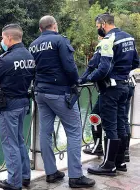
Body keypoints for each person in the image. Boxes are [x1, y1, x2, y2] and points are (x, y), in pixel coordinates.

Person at [28, 15, 95, 188]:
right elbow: (69, 66)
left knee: (45, 132)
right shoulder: (60, 40)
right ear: (54, 25)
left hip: (40, 93)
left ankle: (51, 172)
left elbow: (31, 70)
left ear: (41, 28)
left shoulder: (33, 45)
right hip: (59, 93)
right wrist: (77, 81)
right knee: (74, 131)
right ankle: (75, 176)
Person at [86, 13, 139, 176]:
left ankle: (108, 165)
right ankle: (120, 161)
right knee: (122, 123)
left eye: (97, 27)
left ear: (103, 24)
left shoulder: (109, 40)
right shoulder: (129, 38)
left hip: (111, 88)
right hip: (125, 87)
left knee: (110, 126)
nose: (98, 31)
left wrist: (87, 78)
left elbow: (103, 68)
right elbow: (136, 63)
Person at [0, 23, 34, 190]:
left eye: (3, 37)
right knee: (19, 141)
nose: (1, 40)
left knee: (9, 143)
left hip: (8, 107)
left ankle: (14, 182)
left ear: (9, 38)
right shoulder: (29, 56)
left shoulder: (6, 59)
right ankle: (25, 176)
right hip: (23, 103)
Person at [80, 36, 105, 156]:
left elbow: (92, 66)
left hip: (108, 90)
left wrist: (83, 79)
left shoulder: (105, 46)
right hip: (125, 87)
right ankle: (123, 153)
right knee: (120, 121)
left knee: (95, 116)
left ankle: (99, 147)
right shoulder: (122, 44)